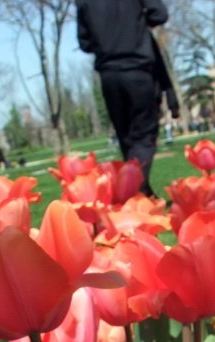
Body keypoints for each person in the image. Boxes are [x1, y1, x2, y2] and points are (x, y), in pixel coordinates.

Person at [77, 0, 169, 196]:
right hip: (138, 67)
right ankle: (135, 190)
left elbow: (84, 42)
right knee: (143, 136)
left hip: (109, 74)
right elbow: (159, 14)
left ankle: (140, 192)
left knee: (126, 137)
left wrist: (106, 39)